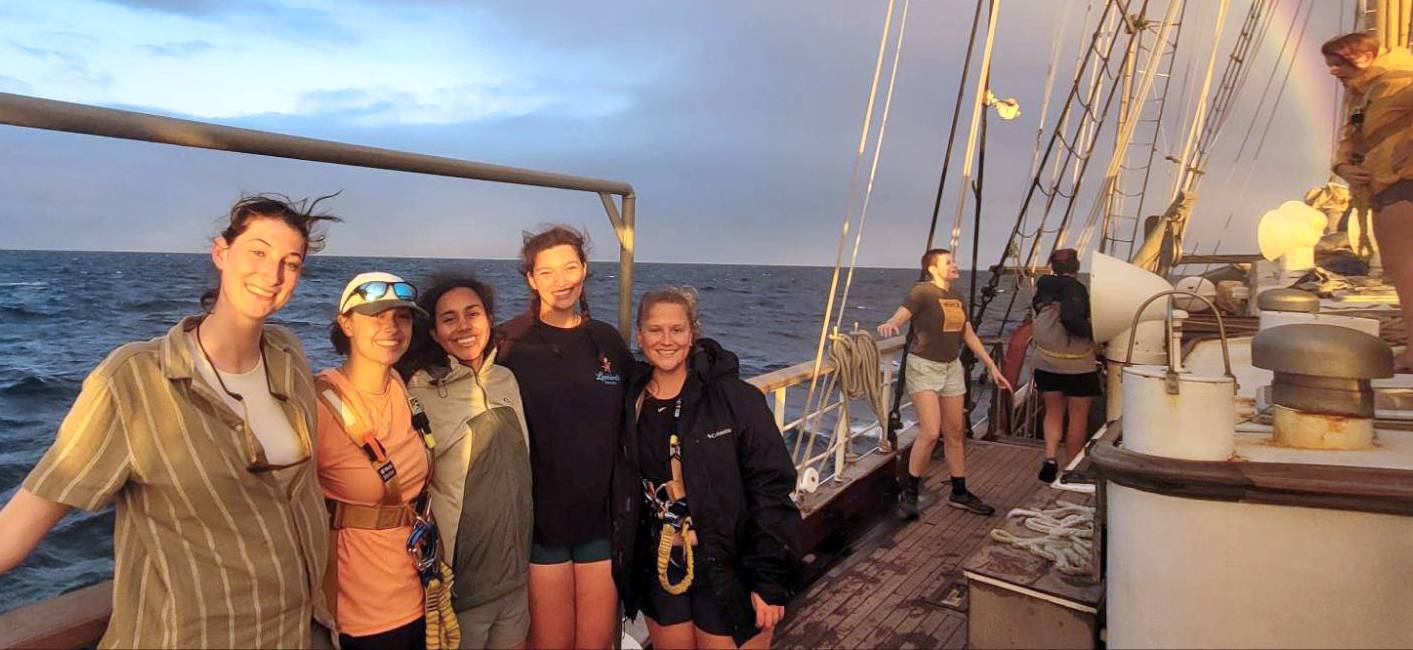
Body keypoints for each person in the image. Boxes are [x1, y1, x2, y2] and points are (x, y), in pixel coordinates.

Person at [0, 195, 340, 648]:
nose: (272, 275)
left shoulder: (287, 355)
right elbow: (21, 524)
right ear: (222, 253)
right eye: (258, 252)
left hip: (294, 632)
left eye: (290, 263)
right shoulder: (137, 378)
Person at [627, 287, 801, 650]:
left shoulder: (736, 400)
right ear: (639, 335)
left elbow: (771, 488)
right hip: (662, 568)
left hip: (728, 566)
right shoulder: (631, 400)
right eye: (655, 330)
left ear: (693, 333)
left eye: (677, 329)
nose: (666, 340)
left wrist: (768, 581)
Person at [496, 226, 636, 649]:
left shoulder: (606, 340)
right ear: (531, 279)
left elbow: (646, 396)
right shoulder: (508, 341)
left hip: (600, 520)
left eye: (570, 267)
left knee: (595, 643)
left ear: (585, 270)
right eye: (548, 271)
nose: (562, 280)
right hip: (541, 523)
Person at [399, 274, 533, 649]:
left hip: (515, 582)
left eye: (472, 314)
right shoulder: (416, 389)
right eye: (449, 318)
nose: (463, 327)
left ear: (489, 320)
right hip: (459, 591)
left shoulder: (506, 380)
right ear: (435, 333)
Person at [316, 272, 439, 650]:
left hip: (419, 596)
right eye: (375, 316)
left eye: (401, 317)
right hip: (357, 617)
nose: (391, 327)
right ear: (346, 324)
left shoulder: (406, 388)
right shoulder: (316, 404)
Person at [877, 248, 1013, 519]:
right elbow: (903, 314)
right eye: (948, 262)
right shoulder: (922, 292)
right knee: (930, 431)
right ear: (933, 269)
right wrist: (892, 323)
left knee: (954, 432)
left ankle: (959, 491)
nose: (954, 265)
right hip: (924, 367)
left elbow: (968, 334)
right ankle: (910, 491)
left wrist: (992, 366)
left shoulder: (957, 297)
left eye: (953, 261)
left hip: (951, 368)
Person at [1325, 32, 1413, 372]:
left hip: (1403, 183)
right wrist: (1344, 166)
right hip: (1382, 184)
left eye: (1338, 63)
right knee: (1397, 268)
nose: (1333, 71)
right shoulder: (1363, 92)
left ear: (1364, 57)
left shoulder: (1398, 78)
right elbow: (1351, 138)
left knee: (1406, 270)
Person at [1029, 249, 1099, 483]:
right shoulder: (1076, 289)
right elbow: (1072, 320)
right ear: (1076, 266)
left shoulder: (1043, 287)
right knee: (1078, 415)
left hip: (1047, 361)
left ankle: (1050, 458)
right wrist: (1096, 334)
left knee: (1053, 410)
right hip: (1076, 364)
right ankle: (1072, 469)